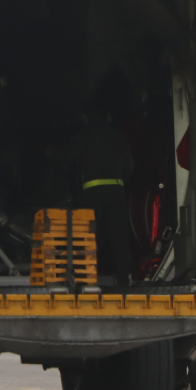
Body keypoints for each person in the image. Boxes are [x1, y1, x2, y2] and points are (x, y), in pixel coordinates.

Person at [77, 102, 135, 286]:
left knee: (90, 235)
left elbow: (69, 157)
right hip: (116, 193)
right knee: (119, 236)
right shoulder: (118, 137)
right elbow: (129, 167)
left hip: (93, 194)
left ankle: (87, 278)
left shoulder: (85, 136)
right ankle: (124, 277)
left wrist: (50, 153)